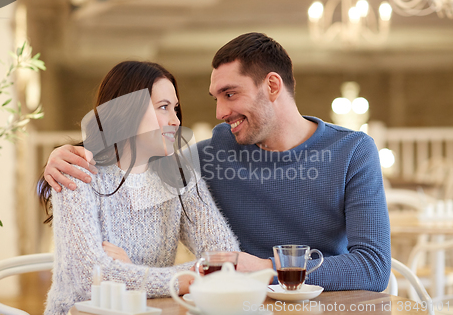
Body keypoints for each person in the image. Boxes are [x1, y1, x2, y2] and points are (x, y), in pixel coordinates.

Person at [43, 33, 391, 292]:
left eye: (230, 94)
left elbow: (373, 267)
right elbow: (134, 163)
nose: (220, 113)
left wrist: (265, 269)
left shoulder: (353, 151)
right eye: (216, 98)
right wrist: (58, 158)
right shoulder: (205, 157)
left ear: (272, 86)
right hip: (239, 305)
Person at [38, 61, 240, 315]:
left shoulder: (181, 176)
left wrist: (130, 270)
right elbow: (88, 278)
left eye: (175, 109)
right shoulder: (77, 173)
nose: (176, 121)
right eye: (163, 107)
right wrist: (179, 279)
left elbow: (226, 259)